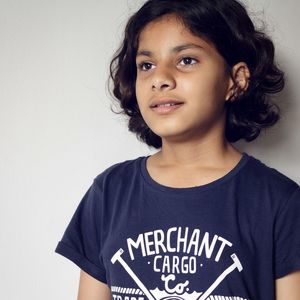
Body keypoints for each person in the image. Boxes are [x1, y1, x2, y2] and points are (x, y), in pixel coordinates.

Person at [55, 0, 300, 299]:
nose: (160, 79)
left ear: (234, 81)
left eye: (186, 60)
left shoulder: (281, 202)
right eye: (147, 65)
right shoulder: (109, 193)